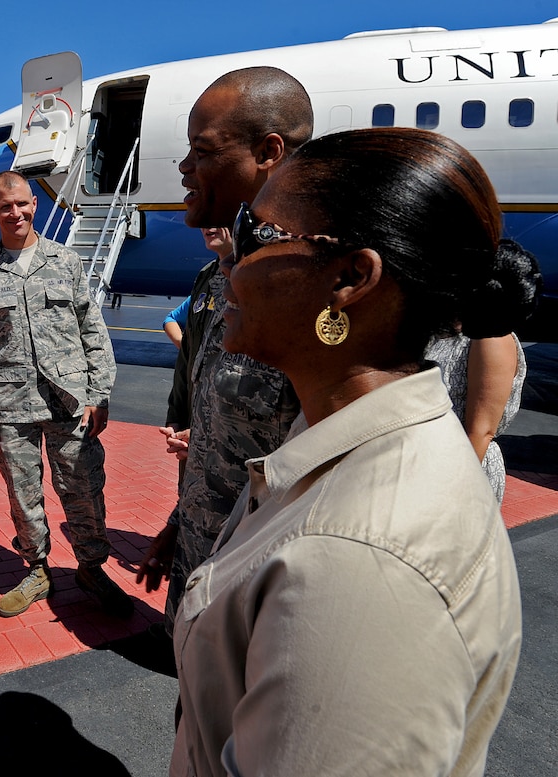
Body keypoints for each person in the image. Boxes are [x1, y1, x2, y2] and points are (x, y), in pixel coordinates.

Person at [170, 127, 539, 776]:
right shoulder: (329, 441)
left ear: (348, 279)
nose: (232, 259)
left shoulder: (358, 563)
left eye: (254, 235)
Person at [136, 68, 310, 636]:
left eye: (202, 151)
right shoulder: (219, 280)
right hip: (200, 564)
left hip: (264, 596)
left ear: (268, 152)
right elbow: (220, 431)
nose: (185, 168)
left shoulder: (323, 292)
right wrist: (179, 523)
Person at [0, 170, 132, 619]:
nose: (15, 213)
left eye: (22, 204)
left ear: (35, 205)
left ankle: (91, 567)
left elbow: (92, 327)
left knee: (83, 487)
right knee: (22, 491)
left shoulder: (66, 262)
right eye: (5, 206)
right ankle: (37, 568)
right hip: (10, 405)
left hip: (69, 400)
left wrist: (99, 392)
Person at [425, 332, 526, 502]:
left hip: (460, 469)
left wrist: (448, 493)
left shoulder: (489, 337)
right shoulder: (432, 330)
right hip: (419, 463)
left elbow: (482, 431)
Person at [162, 229, 231, 349]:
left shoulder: (256, 279)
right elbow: (171, 319)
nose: (208, 227)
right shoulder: (208, 276)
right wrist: (188, 353)